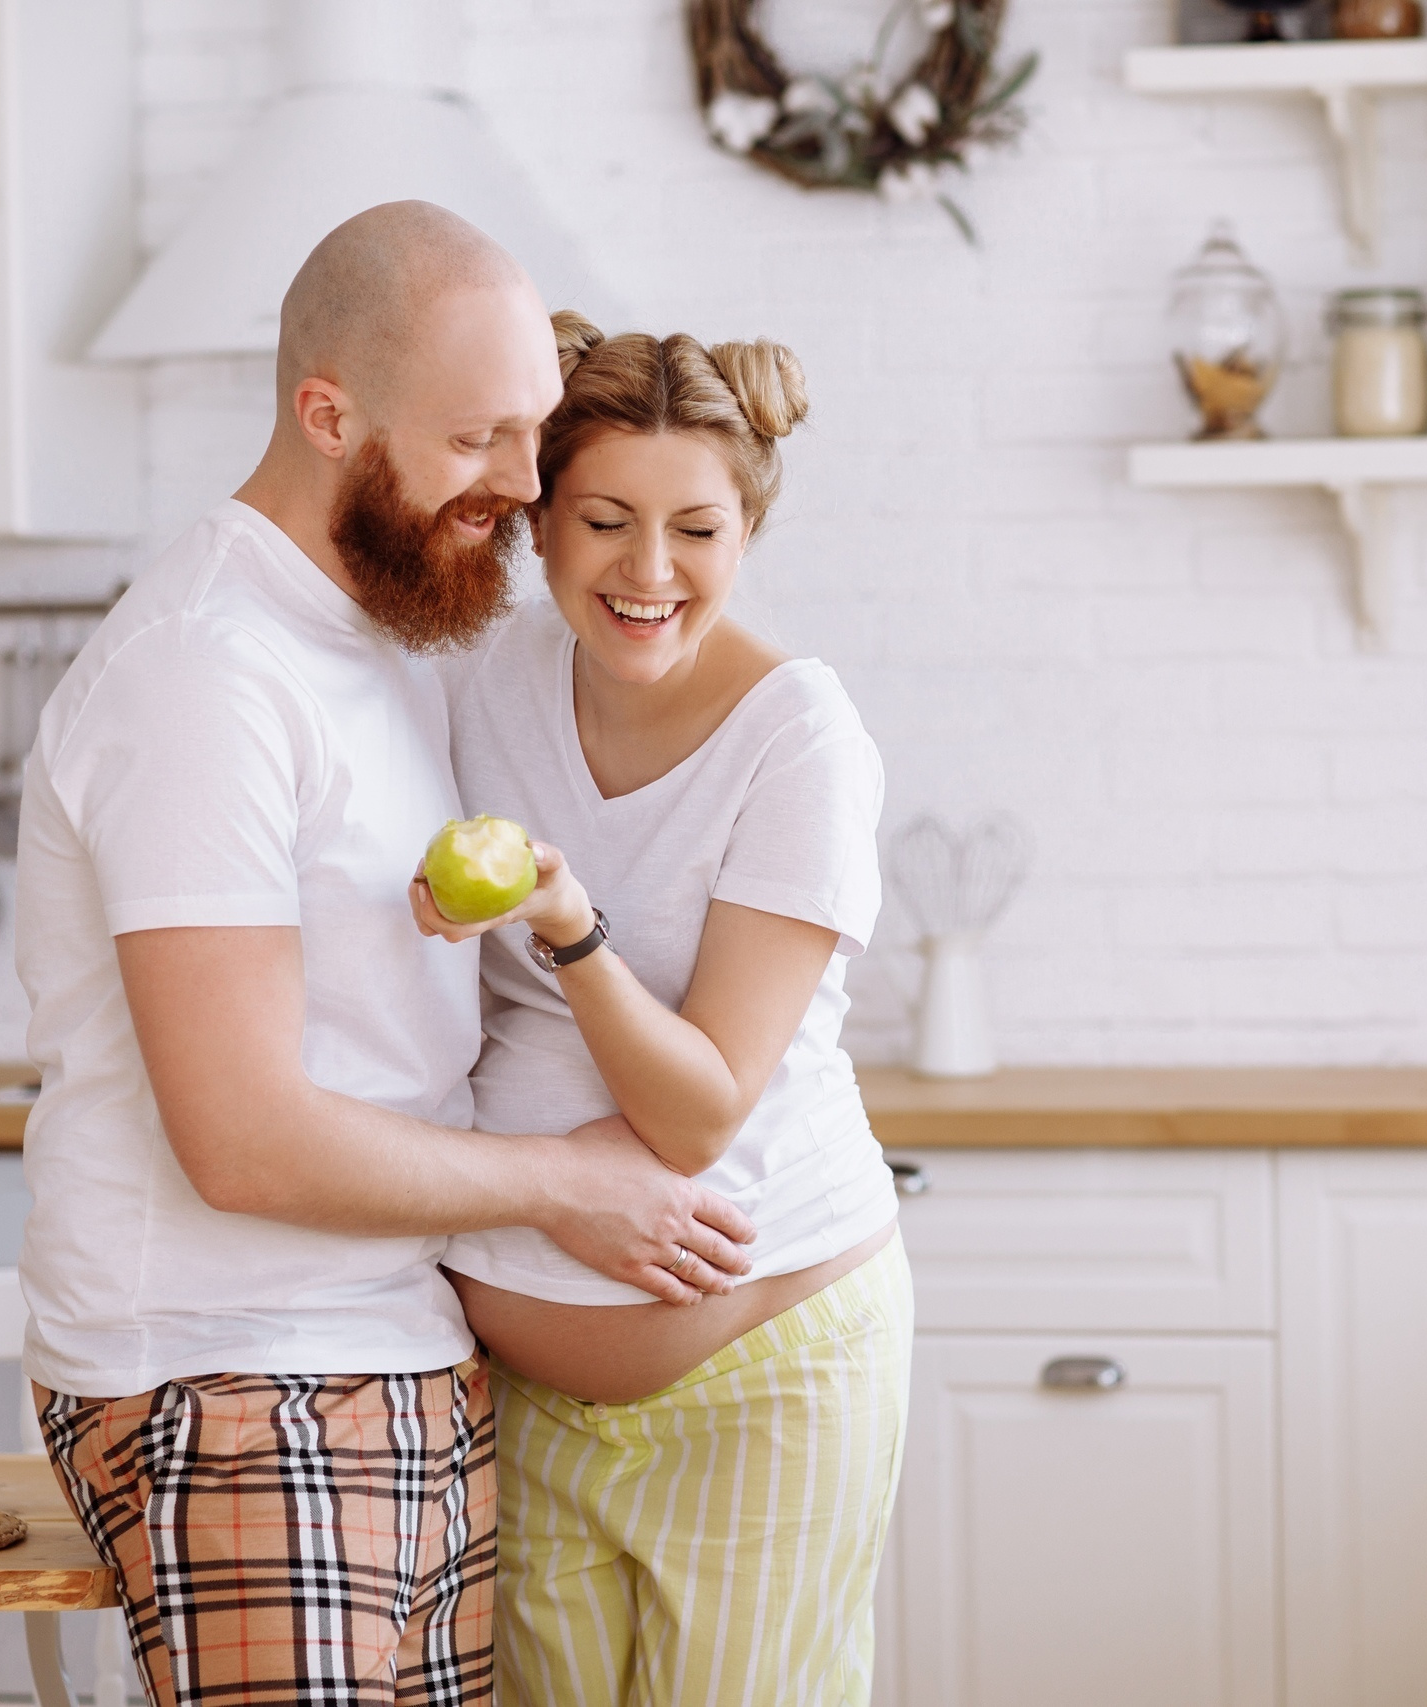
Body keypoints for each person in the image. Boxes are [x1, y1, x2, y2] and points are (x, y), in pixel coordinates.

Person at [12, 203, 755, 1707]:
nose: (525, 487)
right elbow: (242, 1138)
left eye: (534, 432)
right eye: (478, 440)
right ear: (327, 414)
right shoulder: (205, 673)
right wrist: (567, 1186)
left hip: (395, 1360)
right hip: (231, 1385)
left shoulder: (382, 637)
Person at [410, 313, 909, 1706]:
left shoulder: (799, 737)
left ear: (746, 534)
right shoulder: (480, 681)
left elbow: (696, 1117)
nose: (648, 572)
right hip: (520, 1392)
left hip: (767, 1383)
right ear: (540, 521)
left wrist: (568, 925)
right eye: (604, 522)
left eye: (697, 530)